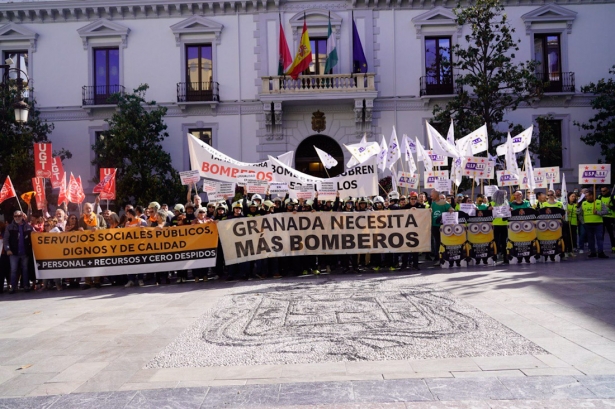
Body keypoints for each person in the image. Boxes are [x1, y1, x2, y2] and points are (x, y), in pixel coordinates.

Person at [4, 210, 34, 294]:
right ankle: (13, 287)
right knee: (13, 270)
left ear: (22, 216)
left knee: (25, 269)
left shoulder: (28, 227)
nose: (17, 218)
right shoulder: (9, 227)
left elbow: (34, 237)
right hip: (13, 253)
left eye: (19, 216)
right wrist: (8, 249)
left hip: (25, 252)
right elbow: (6, 240)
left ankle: (26, 286)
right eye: (15, 216)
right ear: (13, 217)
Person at [79, 203, 107, 289]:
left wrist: (98, 229)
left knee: (97, 262)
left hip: (97, 244)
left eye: (89, 208)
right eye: (86, 208)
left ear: (92, 209)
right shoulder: (81, 219)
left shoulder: (99, 217)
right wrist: (80, 229)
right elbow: (78, 229)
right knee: (87, 263)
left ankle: (97, 281)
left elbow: (105, 227)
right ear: (84, 210)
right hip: (86, 245)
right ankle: (88, 282)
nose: (88, 209)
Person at [577, 190, 609, 258]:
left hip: (598, 223)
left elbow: (606, 211)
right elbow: (579, 213)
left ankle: (600, 252)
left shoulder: (599, 202)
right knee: (590, 239)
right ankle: (593, 252)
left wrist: (597, 212)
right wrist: (583, 222)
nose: (586, 197)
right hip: (588, 224)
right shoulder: (584, 203)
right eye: (585, 196)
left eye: (587, 196)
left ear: (591, 196)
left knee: (599, 238)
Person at [430, 189, 454, 266]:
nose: (431, 196)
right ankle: (438, 258)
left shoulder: (444, 203)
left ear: (436, 195)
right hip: (434, 226)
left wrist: (451, 210)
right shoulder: (433, 204)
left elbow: (451, 209)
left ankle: (444, 258)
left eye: (432, 194)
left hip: (443, 227)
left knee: (443, 243)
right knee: (436, 243)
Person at [40, 218, 63, 291]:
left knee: (55, 270)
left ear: (52, 225)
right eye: (45, 225)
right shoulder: (43, 234)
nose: (46, 227)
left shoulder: (56, 231)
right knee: (45, 269)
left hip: (55, 254)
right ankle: (44, 285)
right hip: (46, 254)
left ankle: (58, 285)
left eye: (48, 225)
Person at [597, 186, 615, 252]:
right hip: (601, 217)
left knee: (611, 233)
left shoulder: (612, 197)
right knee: (601, 234)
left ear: (608, 190)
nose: (602, 192)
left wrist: (611, 206)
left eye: (604, 191)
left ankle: (613, 246)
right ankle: (600, 248)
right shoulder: (599, 197)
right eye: (601, 191)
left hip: (610, 217)